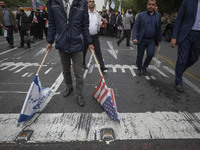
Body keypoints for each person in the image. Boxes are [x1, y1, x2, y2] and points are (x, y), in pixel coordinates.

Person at [46, 0, 94, 106]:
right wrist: (50, 41)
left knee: (78, 72)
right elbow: (52, 24)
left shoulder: (82, 3)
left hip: (77, 44)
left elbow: (85, 26)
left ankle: (79, 94)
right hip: (62, 43)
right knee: (66, 70)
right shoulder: (53, 3)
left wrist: (89, 41)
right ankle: (69, 86)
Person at [170, 0, 200, 93]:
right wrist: (174, 36)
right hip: (186, 35)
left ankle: (179, 70)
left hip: (198, 36)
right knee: (182, 59)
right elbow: (178, 19)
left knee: (194, 58)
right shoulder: (187, 1)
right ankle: (178, 81)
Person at [132, 0, 162, 76]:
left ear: (155, 6)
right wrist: (134, 37)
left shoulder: (158, 16)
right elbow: (135, 26)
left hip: (152, 40)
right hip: (142, 39)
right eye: (149, 4)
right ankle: (139, 68)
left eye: (153, 4)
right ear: (147, 5)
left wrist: (159, 41)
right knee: (140, 55)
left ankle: (144, 67)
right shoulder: (141, 15)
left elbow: (159, 29)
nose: (151, 6)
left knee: (150, 54)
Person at [82, 0, 108, 72]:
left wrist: (103, 22)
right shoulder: (85, 13)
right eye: (90, 1)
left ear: (94, 4)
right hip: (86, 36)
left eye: (93, 1)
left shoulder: (97, 14)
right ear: (87, 4)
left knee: (98, 51)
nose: (91, 3)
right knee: (83, 51)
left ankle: (102, 66)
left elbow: (100, 24)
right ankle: (83, 64)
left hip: (95, 36)